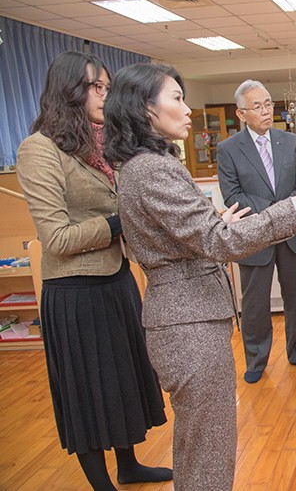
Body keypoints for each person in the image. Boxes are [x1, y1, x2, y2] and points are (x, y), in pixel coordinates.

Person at [102, 63, 296, 490]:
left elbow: (193, 234)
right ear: (145, 109)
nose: (187, 111)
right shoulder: (154, 169)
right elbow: (220, 242)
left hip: (188, 319)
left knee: (200, 445)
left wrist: (216, 222)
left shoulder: (145, 165)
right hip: (188, 326)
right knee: (210, 449)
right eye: (177, 99)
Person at [15, 51, 172, 491]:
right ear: (69, 92)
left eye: (106, 86)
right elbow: (58, 237)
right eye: (96, 87)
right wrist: (121, 222)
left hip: (116, 281)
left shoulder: (102, 144)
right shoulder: (39, 149)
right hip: (75, 292)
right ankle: (101, 483)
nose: (105, 94)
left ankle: (129, 465)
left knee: (122, 380)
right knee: (89, 391)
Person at [217, 80, 296, 383]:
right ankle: (256, 359)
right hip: (255, 236)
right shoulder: (228, 149)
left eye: (268, 103)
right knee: (255, 303)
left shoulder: (291, 141)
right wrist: (274, 210)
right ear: (241, 114)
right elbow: (232, 194)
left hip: (290, 233)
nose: (265, 110)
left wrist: (286, 210)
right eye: (257, 106)